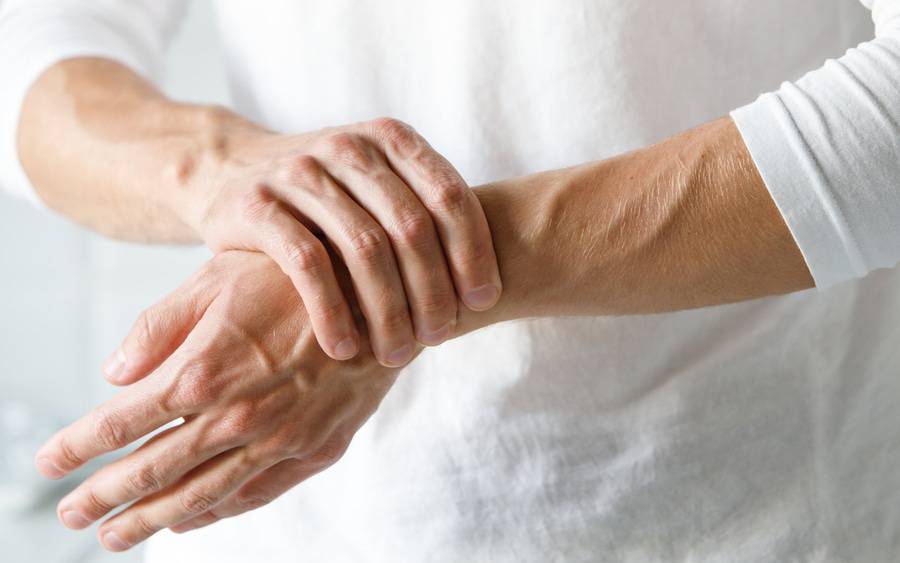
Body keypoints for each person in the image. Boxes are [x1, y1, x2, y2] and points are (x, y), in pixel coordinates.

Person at [2, 0, 900, 560]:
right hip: (283, 531)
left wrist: (380, 271)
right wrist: (227, 174)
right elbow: (31, 49)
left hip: (742, 519)